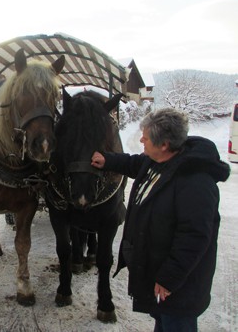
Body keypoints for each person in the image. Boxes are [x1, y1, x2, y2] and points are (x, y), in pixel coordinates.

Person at [90, 108, 230, 332]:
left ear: (164, 144)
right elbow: (134, 164)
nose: (141, 139)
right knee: (163, 321)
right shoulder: (159, 162)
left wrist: (169, 279)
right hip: (159, 274)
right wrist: (107, 159)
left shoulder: (195, 181)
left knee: (175, 323)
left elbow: (194, 237)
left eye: (145, 136)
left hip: (179, 287)